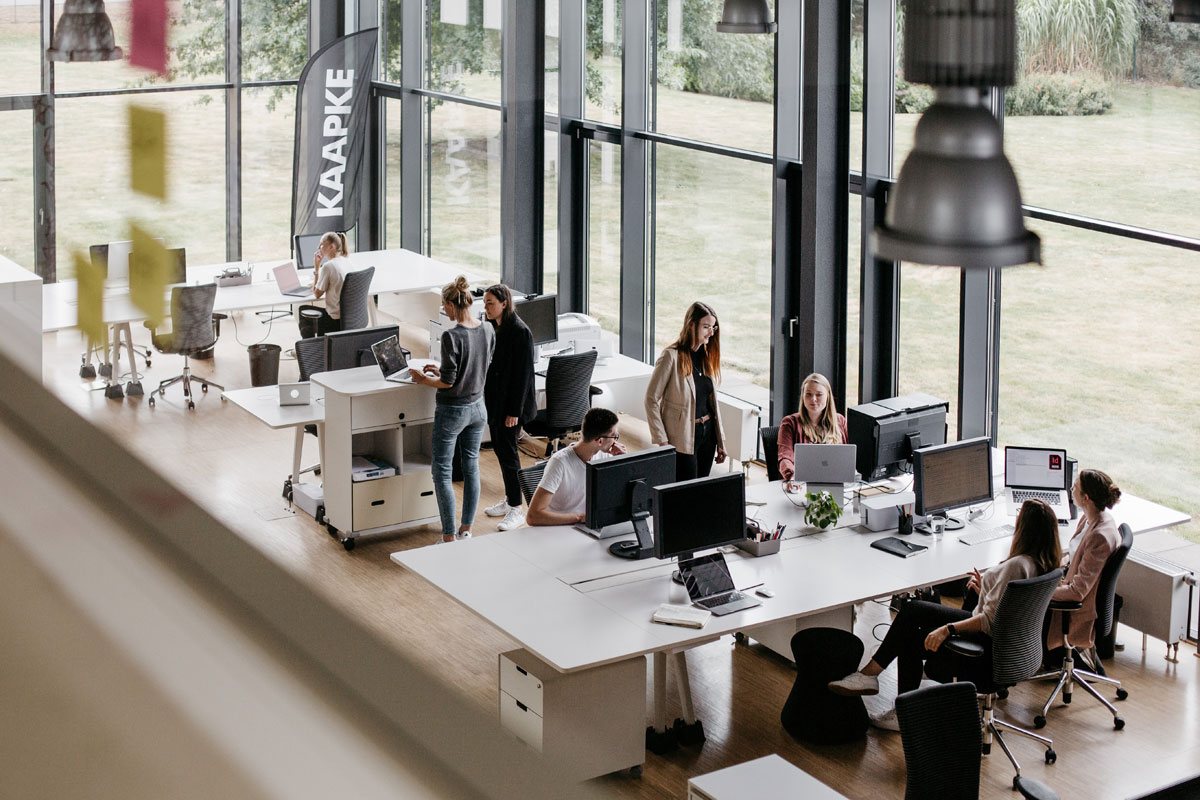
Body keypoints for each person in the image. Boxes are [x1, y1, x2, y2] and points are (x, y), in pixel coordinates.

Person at [827, 499, 1063, 730]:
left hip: (986, 653)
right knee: (911, 625)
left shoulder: (1016, 566)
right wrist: (987, 591)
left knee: (910, 617)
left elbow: (987, 622)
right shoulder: (1046, 564)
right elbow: (1013, 609)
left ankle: (875, 680)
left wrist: (947, 629)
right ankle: (893, 700)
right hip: (1013, 651)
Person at [411, 276, 495, 543]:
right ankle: (466, 530)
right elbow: (478, 365)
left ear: (450, 304)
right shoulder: (488, 329)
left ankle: (448, 536)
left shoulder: (451, 335)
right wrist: (442, 370)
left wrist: (423, 379)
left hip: (453, 412)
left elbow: (447, 382)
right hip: (478, 408)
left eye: (443, 306)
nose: (444, 310)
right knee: (471, 467)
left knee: (442, 471)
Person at [644, 301, 727, 481]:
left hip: (708, 433)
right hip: (682, 435)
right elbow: (651, 399)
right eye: (706, 327)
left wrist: (720, 442)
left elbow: (711, 403)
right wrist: (663, 441)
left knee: (701, 486)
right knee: (686, 488)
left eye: (713, 327)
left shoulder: (706, 358)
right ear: (691, 325)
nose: (711, 332)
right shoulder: (670, 356)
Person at [1045, 468, 1122, 652]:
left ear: (1086, 498)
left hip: (1075, 609)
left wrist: (1043, 593)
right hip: (1066, 581)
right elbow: (1075, 558)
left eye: (1075, 487)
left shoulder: (1099, 537)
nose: (1071, 489)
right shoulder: (1092, 519)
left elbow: (1077, 592)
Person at [481, 284, 538, 531]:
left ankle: (516, 508)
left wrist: (514, 412)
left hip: (510, 409)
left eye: (490, 303)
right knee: (502, 454)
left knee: (509, 456)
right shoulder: (498, 327)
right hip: (497, 404)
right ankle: (510, 500)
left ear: (504, 303)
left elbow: (522, 377)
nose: (486, 308)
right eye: (485, 303)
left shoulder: (519, 332)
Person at [526, 408, 626, 526]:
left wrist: (623, 461)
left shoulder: (605, 455)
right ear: (599, 441)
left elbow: (621, 495)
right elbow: (533, 516)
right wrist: (580, 518)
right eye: (614, 436)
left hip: (588, 525)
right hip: (558, 528)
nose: (615, 441)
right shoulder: (560, 462)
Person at [776, 372, 849, 486]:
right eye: (808, 394)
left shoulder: (840, 421)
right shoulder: (790, 423)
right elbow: (785, 458)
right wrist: (792, 478)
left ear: (828, 397)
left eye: (819, 394)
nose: (813, 399)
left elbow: (847, 457)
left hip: (835, 482)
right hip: (801, 484)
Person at [297, 231, 351, 338]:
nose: (318, 247)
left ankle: (310, 348)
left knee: (303, 309)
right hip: (349, 318)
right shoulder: (346, 261)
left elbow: (317, 294)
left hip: (334, 321)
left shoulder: (328, 266)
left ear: (331, 246)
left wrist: (317, 268)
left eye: (321, 244)